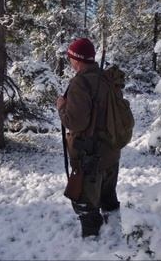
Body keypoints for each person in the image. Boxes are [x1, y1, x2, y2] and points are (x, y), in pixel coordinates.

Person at [56, 37, 121, 238]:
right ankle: (115, 235)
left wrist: (61, 108)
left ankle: (93, 248)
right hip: (110, 152)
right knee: (108, 198)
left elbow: (75, 123)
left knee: (86, 203)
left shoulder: (80, 83)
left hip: (89, 155)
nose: (70, 62)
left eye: (71, 58)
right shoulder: (107, 78)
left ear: (77, 59)